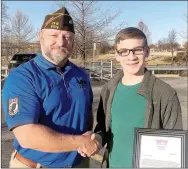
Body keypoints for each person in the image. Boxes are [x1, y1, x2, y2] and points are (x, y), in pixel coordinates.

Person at [2, 7, 100, 168]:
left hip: (78, 163)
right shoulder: (22, 77)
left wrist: (88, 137)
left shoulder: (81, 75)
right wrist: (79, 142)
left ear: (73, 41)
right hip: (36, 165)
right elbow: (26, 135)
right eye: (53, 35)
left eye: (67, 37)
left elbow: (87, 112)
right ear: (40, 37)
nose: (61, 42)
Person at [94, 27, 183, 168]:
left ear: (146, 52)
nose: (131, 57)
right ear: (117, 55)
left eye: (138, 50)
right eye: (124, 51)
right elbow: (103, 128)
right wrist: (98, 138)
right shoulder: (109, 89)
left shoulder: (165, 94)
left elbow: (174, 147)